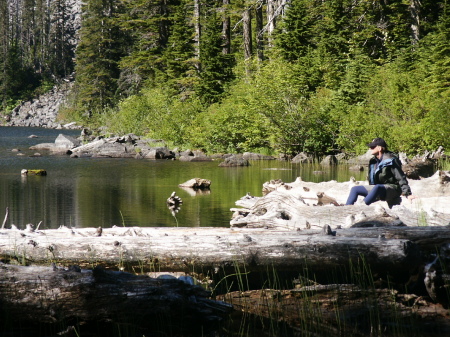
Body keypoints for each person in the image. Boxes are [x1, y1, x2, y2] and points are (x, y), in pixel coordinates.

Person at [345, 138, 415, 208]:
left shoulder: (391, 160)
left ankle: (362, 206)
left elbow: (400, 177)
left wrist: (408, 193)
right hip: (378, 189)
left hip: (393, 189)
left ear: (379, 148)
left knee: (378, 187)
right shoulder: (373, 161)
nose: (370, 148)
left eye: (372, 147)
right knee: (355, 189)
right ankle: (346, 208)